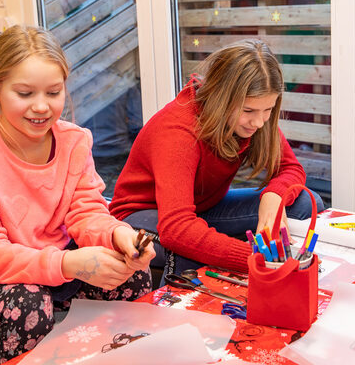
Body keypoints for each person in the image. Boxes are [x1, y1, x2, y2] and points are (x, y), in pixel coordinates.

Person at [0, 25, 155, 364]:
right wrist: (67, 264)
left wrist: (119, 235)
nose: (41, 107)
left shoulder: (75, 140)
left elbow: (86, 212)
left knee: (134, 273)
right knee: (29, 303)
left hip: (52, 262)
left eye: (53, 93)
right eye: (24, 94)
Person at [108, 39, 324, 282]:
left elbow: (290, 169)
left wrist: (274, 196)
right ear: (221, 98)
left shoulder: (255, 117)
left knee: (305, 201)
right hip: (139, 218)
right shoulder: (178, 131)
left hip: (201, 210)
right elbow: (177, 229)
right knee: (187, 245)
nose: (259, 122)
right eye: (249, 111)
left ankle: (217, 248)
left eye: (269, 110)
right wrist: (255, 260)